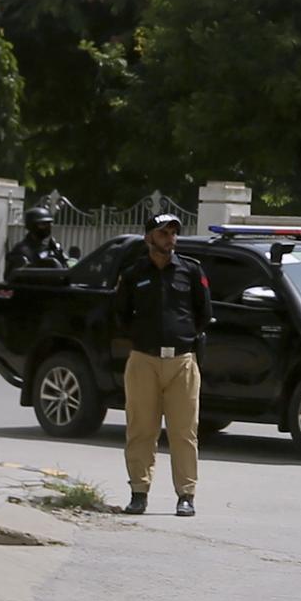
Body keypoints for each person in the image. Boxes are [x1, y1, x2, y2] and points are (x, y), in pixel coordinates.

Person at [113, 214, 212, 517]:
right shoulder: (133, 274)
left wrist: (183, 339)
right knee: (141, 429)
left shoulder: (191, 271)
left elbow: (203, 313)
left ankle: (186, 495)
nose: (170, 238)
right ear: (148, 239)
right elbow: (120, 315)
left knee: (184, 433)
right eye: (163, 233)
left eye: (173, 233)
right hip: (144, 360)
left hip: (181, 361)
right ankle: (139, 493)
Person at [4, 207, 68, 279]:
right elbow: (13, 278)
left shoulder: (52, 248)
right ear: (32, 226)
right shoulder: (21, 250)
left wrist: (58, 255)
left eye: (49, 224)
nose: (48, 227)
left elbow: (66, 272)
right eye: (43, 224)